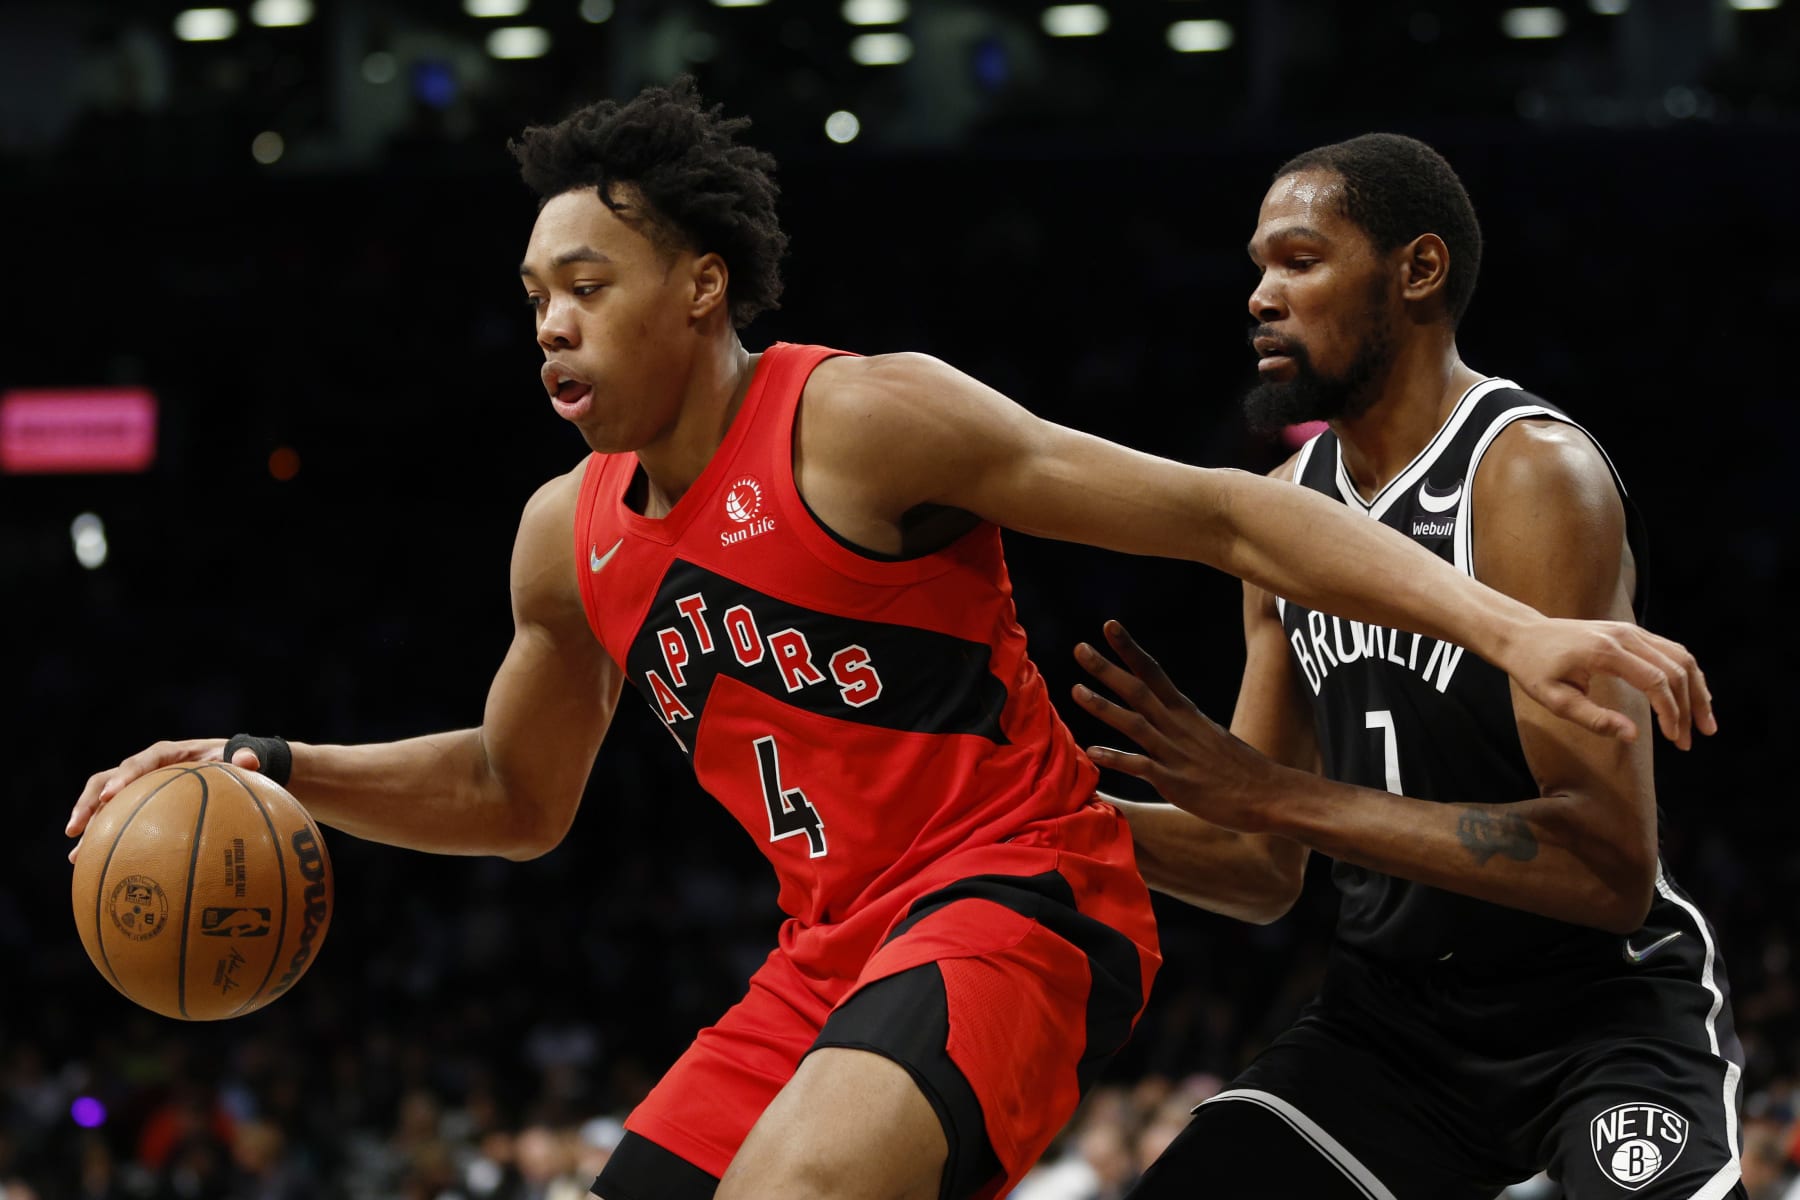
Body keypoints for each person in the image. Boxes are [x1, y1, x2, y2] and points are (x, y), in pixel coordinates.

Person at [67, 87, 1711, 1200]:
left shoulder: (859, 421)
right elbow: (514, 793)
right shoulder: (565, 535)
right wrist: (271, 763)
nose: (552, 320)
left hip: (1023, 901)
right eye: (533, 294)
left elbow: (1221, 512)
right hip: (829, 949)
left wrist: (1515, 630)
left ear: (700, 286)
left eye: (588, 283)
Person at [1078, 134, 1743, 1198]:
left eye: (1299, 261)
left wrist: (1277, 796)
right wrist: (1036, 810)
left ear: (1418, 270)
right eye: (1258, 266)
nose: (1260, 296)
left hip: (1600, 1007)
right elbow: (1256, 864)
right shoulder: (1283, 512)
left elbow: (1609, 874)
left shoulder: (1530, 474)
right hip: (1392, 1022)